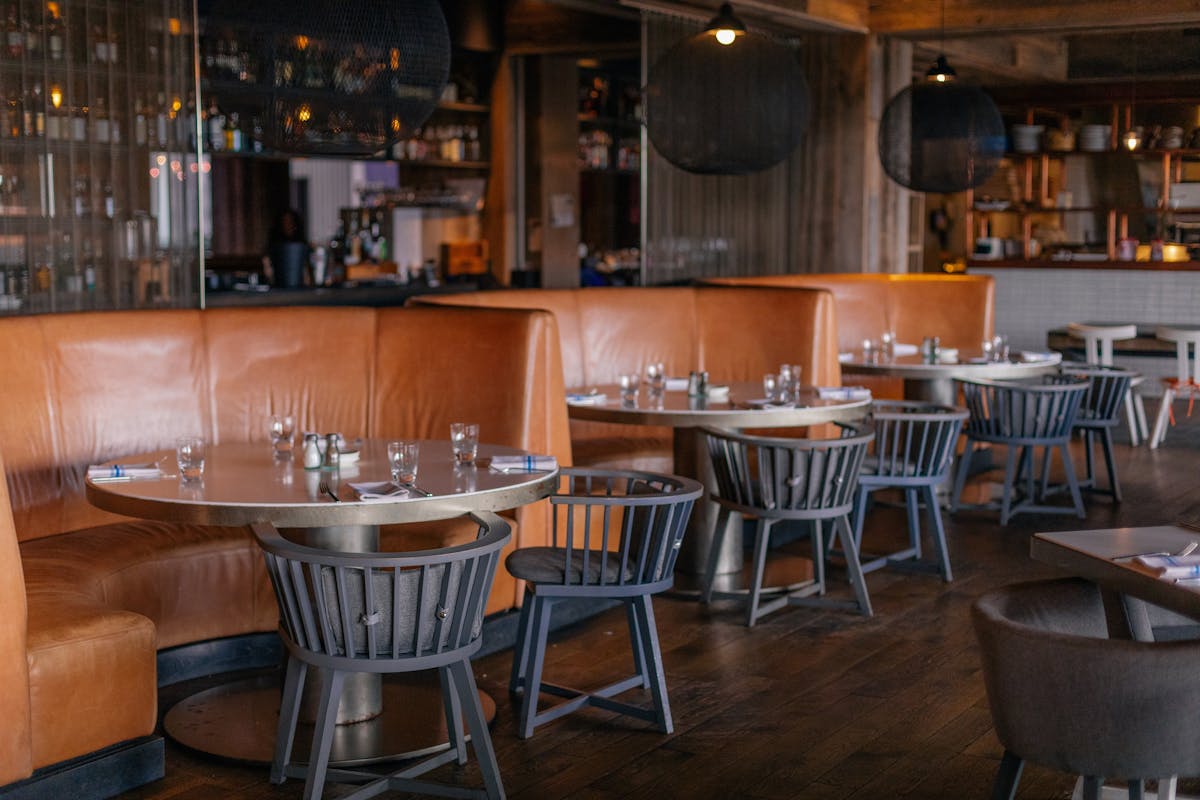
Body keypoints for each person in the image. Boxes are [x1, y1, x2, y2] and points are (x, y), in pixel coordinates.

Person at [265, 209, 310, 288]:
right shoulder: (274, 247)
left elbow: (306, 273)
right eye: (285, 221)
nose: (288, 224)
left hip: (300, 288)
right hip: (278, 288)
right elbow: (268, 272)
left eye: (290, 222)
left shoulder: (301, 246)